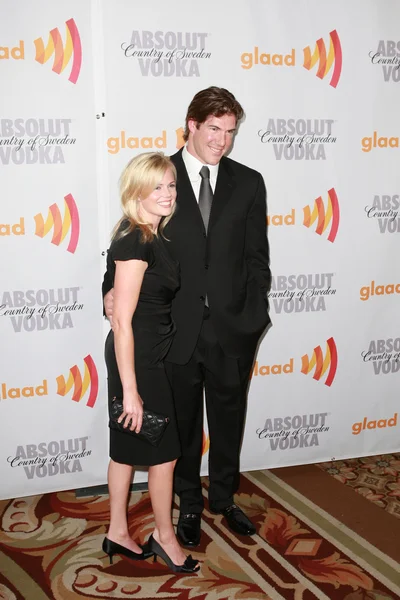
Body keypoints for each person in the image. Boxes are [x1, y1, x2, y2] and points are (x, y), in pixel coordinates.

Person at [103, 87, 271, 548]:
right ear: (191, 126)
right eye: (214, 129)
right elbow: (126, 240)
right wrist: (108, 296)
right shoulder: (162, 176)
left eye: (231, 132)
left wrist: (253, 314)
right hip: (171, 333)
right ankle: (188, 507)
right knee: (181, 426)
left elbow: (258, 258)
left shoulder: (249, 182)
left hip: (232, 329)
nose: (222, 141)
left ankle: (223, 497)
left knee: (228, 418)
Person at [102, 152, 199, 574]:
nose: (166, 193)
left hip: (144, 353)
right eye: (156, 186)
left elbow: (115, 296)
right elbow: (122, 320)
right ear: (136, 191)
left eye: (171, 184)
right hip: (138, 359)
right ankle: (164, 536)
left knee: (126, 451)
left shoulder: (144, 234)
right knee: (165, 457)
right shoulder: (138, 239)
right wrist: (131, 390)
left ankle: (117, 531)